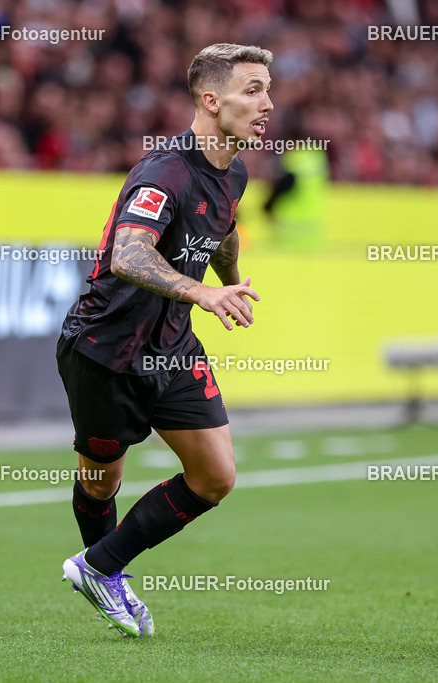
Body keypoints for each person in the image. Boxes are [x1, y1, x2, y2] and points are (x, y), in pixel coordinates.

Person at [55, 43, 272, 638]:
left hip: (172, 347)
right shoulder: (165, 171)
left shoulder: (236, 171)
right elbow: (127, 255)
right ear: (212, 100)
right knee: (101, 481)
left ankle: (99, 567)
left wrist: (229, 281)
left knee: (216, 477)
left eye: (267, 91)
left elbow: (223, 226)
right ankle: (106, 574)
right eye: (253, 90)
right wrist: (201, 293)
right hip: (106, 348)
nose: (267, 104)